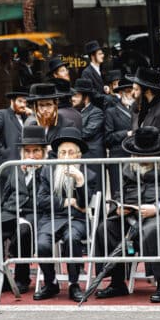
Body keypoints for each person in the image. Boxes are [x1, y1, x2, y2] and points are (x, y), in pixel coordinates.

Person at [95, 127, 160, 303]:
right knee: (106, 228)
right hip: (133, 214)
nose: (142, 158)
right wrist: (118, 208)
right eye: (139, 155)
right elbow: (119, 193)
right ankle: (117, 282)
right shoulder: (129, 166)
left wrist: (158, 207)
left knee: (152, 229)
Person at [0, 125, 48, 294]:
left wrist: (36, 171)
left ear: (44, 152)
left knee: (23, 229)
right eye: (28, 151)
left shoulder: (48, 169)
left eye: (36, 151)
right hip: (11, 211)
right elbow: (5, 195)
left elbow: (47, 196)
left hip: (34, 213)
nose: (31, 156)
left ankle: (22, 278)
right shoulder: (14, 168)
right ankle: (2, 276)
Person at [33, 128, 98, 302]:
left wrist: (80, 181)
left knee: (72, 239)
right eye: (62, 152)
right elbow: (41, 200)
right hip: (52, 218)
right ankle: (50, 282)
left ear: (78, 155)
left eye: (70, 152)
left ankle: (73, 283)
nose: (66, 156)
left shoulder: (89, 174)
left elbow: (84, 204)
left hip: (77, 220)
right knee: (42, 244)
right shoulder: (48, 171)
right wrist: (68, 202)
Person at [23, 82, 81, 153]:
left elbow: (69, 152)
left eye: (48, 104)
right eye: (41, 105)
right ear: (36, 107)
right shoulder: (32, 126)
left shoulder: (67, 125)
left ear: (55, 105)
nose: (45, 109)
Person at [0, 90, 29, 171]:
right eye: (20, 101)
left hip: (23, 163)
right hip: (7, 162)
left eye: (25, 102)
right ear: (12, 101)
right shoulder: (2, 114)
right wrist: (2, 151)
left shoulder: (27, 118)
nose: (23, 105)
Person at [72, 78, 105, 160]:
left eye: (76, 96)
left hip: (92, 156)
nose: (73, 98)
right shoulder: (75, 112)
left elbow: (87, 132)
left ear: (86, 97)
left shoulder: (96, 112)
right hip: (80, 155)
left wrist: (69, 134)